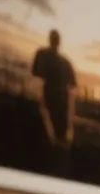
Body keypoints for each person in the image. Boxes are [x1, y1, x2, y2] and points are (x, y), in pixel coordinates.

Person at [29, 29, 77, 176]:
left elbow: (36, 71)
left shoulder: (52, 57)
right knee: (55, 132)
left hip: (54, 97)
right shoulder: (63, 61)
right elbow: (73, 83)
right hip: (56, 97)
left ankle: (56, 164)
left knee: (54, 132)